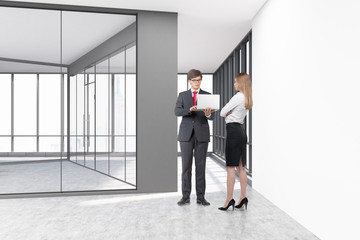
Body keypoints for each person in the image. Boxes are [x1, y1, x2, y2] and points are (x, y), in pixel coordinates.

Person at [175, 69, 215, 206]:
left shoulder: (207, 95)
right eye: (194, 80)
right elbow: (176, 111)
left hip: (202, 135)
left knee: (201, 167)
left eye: (199, 80)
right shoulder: (183, 95)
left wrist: (208, 114)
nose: (197, 82)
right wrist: (188, 110)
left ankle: (201, 197)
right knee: (186, 167)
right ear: (189, 81)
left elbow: (213, 116)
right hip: (186, 135)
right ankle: (185, 196)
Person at [218, 73, 253, 211]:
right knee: (241, 167)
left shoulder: (238, 96)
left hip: (233, 132)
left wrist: (228, 113)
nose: (234, 84)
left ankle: (229, 200)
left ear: (241, 83)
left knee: (230, 168)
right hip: (242, 132)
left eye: (235, 82)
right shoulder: (247, 97)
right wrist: (230, 112)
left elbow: (222, 112)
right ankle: (243, 198)